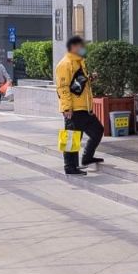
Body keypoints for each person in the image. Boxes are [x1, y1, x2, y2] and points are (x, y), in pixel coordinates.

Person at [55, 35, 103, 174]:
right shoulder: (65, 64)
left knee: (97, 131)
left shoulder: (80, 62)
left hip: (85, 108)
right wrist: (66, 108)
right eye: (82, 46)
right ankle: (69, 167)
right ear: (74, 47)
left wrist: (90, 78)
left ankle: (87, 158)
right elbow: (62, 87)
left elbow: (77, 84)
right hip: (74, 109)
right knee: (71, 138)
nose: (84, 48)